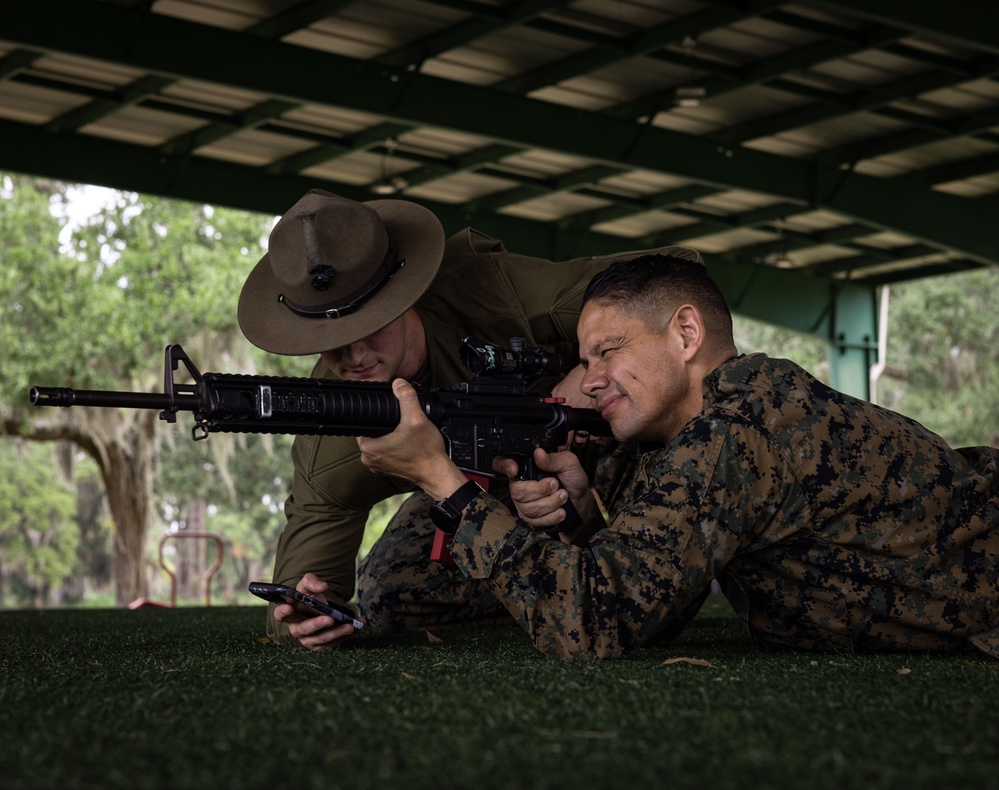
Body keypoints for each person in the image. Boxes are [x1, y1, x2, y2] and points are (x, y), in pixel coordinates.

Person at [357, 253, 999, 660]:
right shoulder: (694, 431)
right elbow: (655, 599)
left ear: (686, 334)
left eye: (607, 351)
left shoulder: (740, 435)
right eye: (584, 361)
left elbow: (593, 620)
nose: (593, 377)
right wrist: (582, 514)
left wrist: (442, 480)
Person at [237, 188, 703, 648]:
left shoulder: (500, 292)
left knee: (635, 408)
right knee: (392, 591)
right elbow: (296, 598)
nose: (355, 355)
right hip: (480, 491)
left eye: (370, 324)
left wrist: (587, 372)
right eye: (330, 336)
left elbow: (682, 270)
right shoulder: (334, 438)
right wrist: (305, 617)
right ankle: (556, 596)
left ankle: (638, 583)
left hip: (591, 438)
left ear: (402, 295)